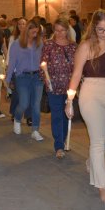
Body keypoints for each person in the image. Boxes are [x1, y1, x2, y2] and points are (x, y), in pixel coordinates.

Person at [66, 10, 105, 203]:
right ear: (94, 28)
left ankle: (91, 162)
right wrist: (69, 101)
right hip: (91, 91)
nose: (104, 33)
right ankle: (101, 186)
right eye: (100, 29)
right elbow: (76, 74)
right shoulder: (85, 46)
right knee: (97, 141)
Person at [41, 18, 77, 158]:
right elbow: (42, 64)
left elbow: (78, 66)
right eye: (56, 30)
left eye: (62, 30)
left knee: (66, 114)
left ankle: (63, 139)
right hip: (54, 85)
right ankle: (59, 145)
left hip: (69, 86)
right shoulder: (48, 45)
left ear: (67, 30)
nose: (59, 33)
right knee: (56, 114)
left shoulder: (74, 46)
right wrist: (46, 79)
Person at [6, 20, 44, 141]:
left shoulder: (40, 43)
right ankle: (17, 119)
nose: (35, 31)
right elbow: (12, 63)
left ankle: (35, 130)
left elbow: (44, 59)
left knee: (36, 105)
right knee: (24, 103)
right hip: (22, 77)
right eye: (32, 29)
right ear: (27, 29)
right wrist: (8, 78)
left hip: (37, 77)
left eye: (37, 29)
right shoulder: (17, 44)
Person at [7, 17, 31, 124]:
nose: (22, 26)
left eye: (24, 24)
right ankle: (14, 113)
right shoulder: (13, 38)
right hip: (17, 70)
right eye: (20, 24)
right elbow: (10, 55)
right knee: (17, 93)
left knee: (29, 93)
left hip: (29, 70)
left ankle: (29, 116)